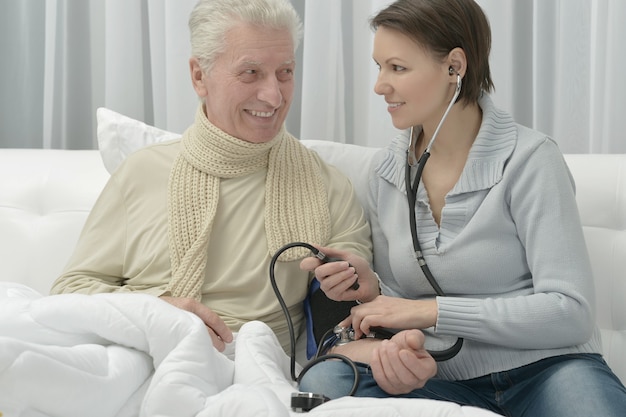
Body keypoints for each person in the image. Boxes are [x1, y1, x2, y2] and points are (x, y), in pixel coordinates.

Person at [298, 0, 626, 415]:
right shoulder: (385, 172)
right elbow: (399, 302)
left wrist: (429, 312)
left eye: (397, 68)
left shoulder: (530, 160)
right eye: (379, 66)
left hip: (550, 369)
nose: (380, 85)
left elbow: (570, 311)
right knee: (325, 379)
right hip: (439, 380)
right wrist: (375, 293)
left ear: (454, 66)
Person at [50, 0, 372, 357]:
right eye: (250, 72)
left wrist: (355, 284)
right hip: (137, 353)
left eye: (285, 71)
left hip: (255, 366)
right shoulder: (141, 172)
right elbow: (70, 292)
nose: (274, 95)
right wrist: (159, 310)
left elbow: (358, 301)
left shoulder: (328, 186)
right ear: (199, 76)